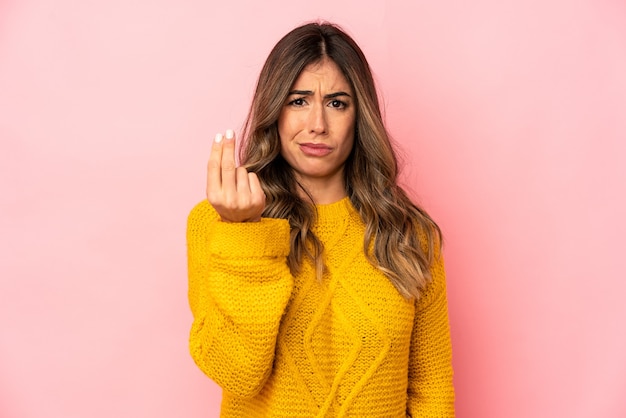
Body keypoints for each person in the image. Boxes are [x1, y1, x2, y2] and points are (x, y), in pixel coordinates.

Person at [186, 21, 455, 417]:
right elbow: (239, 373)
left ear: (358, 115)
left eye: (336, 103)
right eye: (298, 101)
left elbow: (432, 388)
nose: (317, 124)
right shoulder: (216, 222)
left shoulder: (408, 233)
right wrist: (243, 233)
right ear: (274, 110)